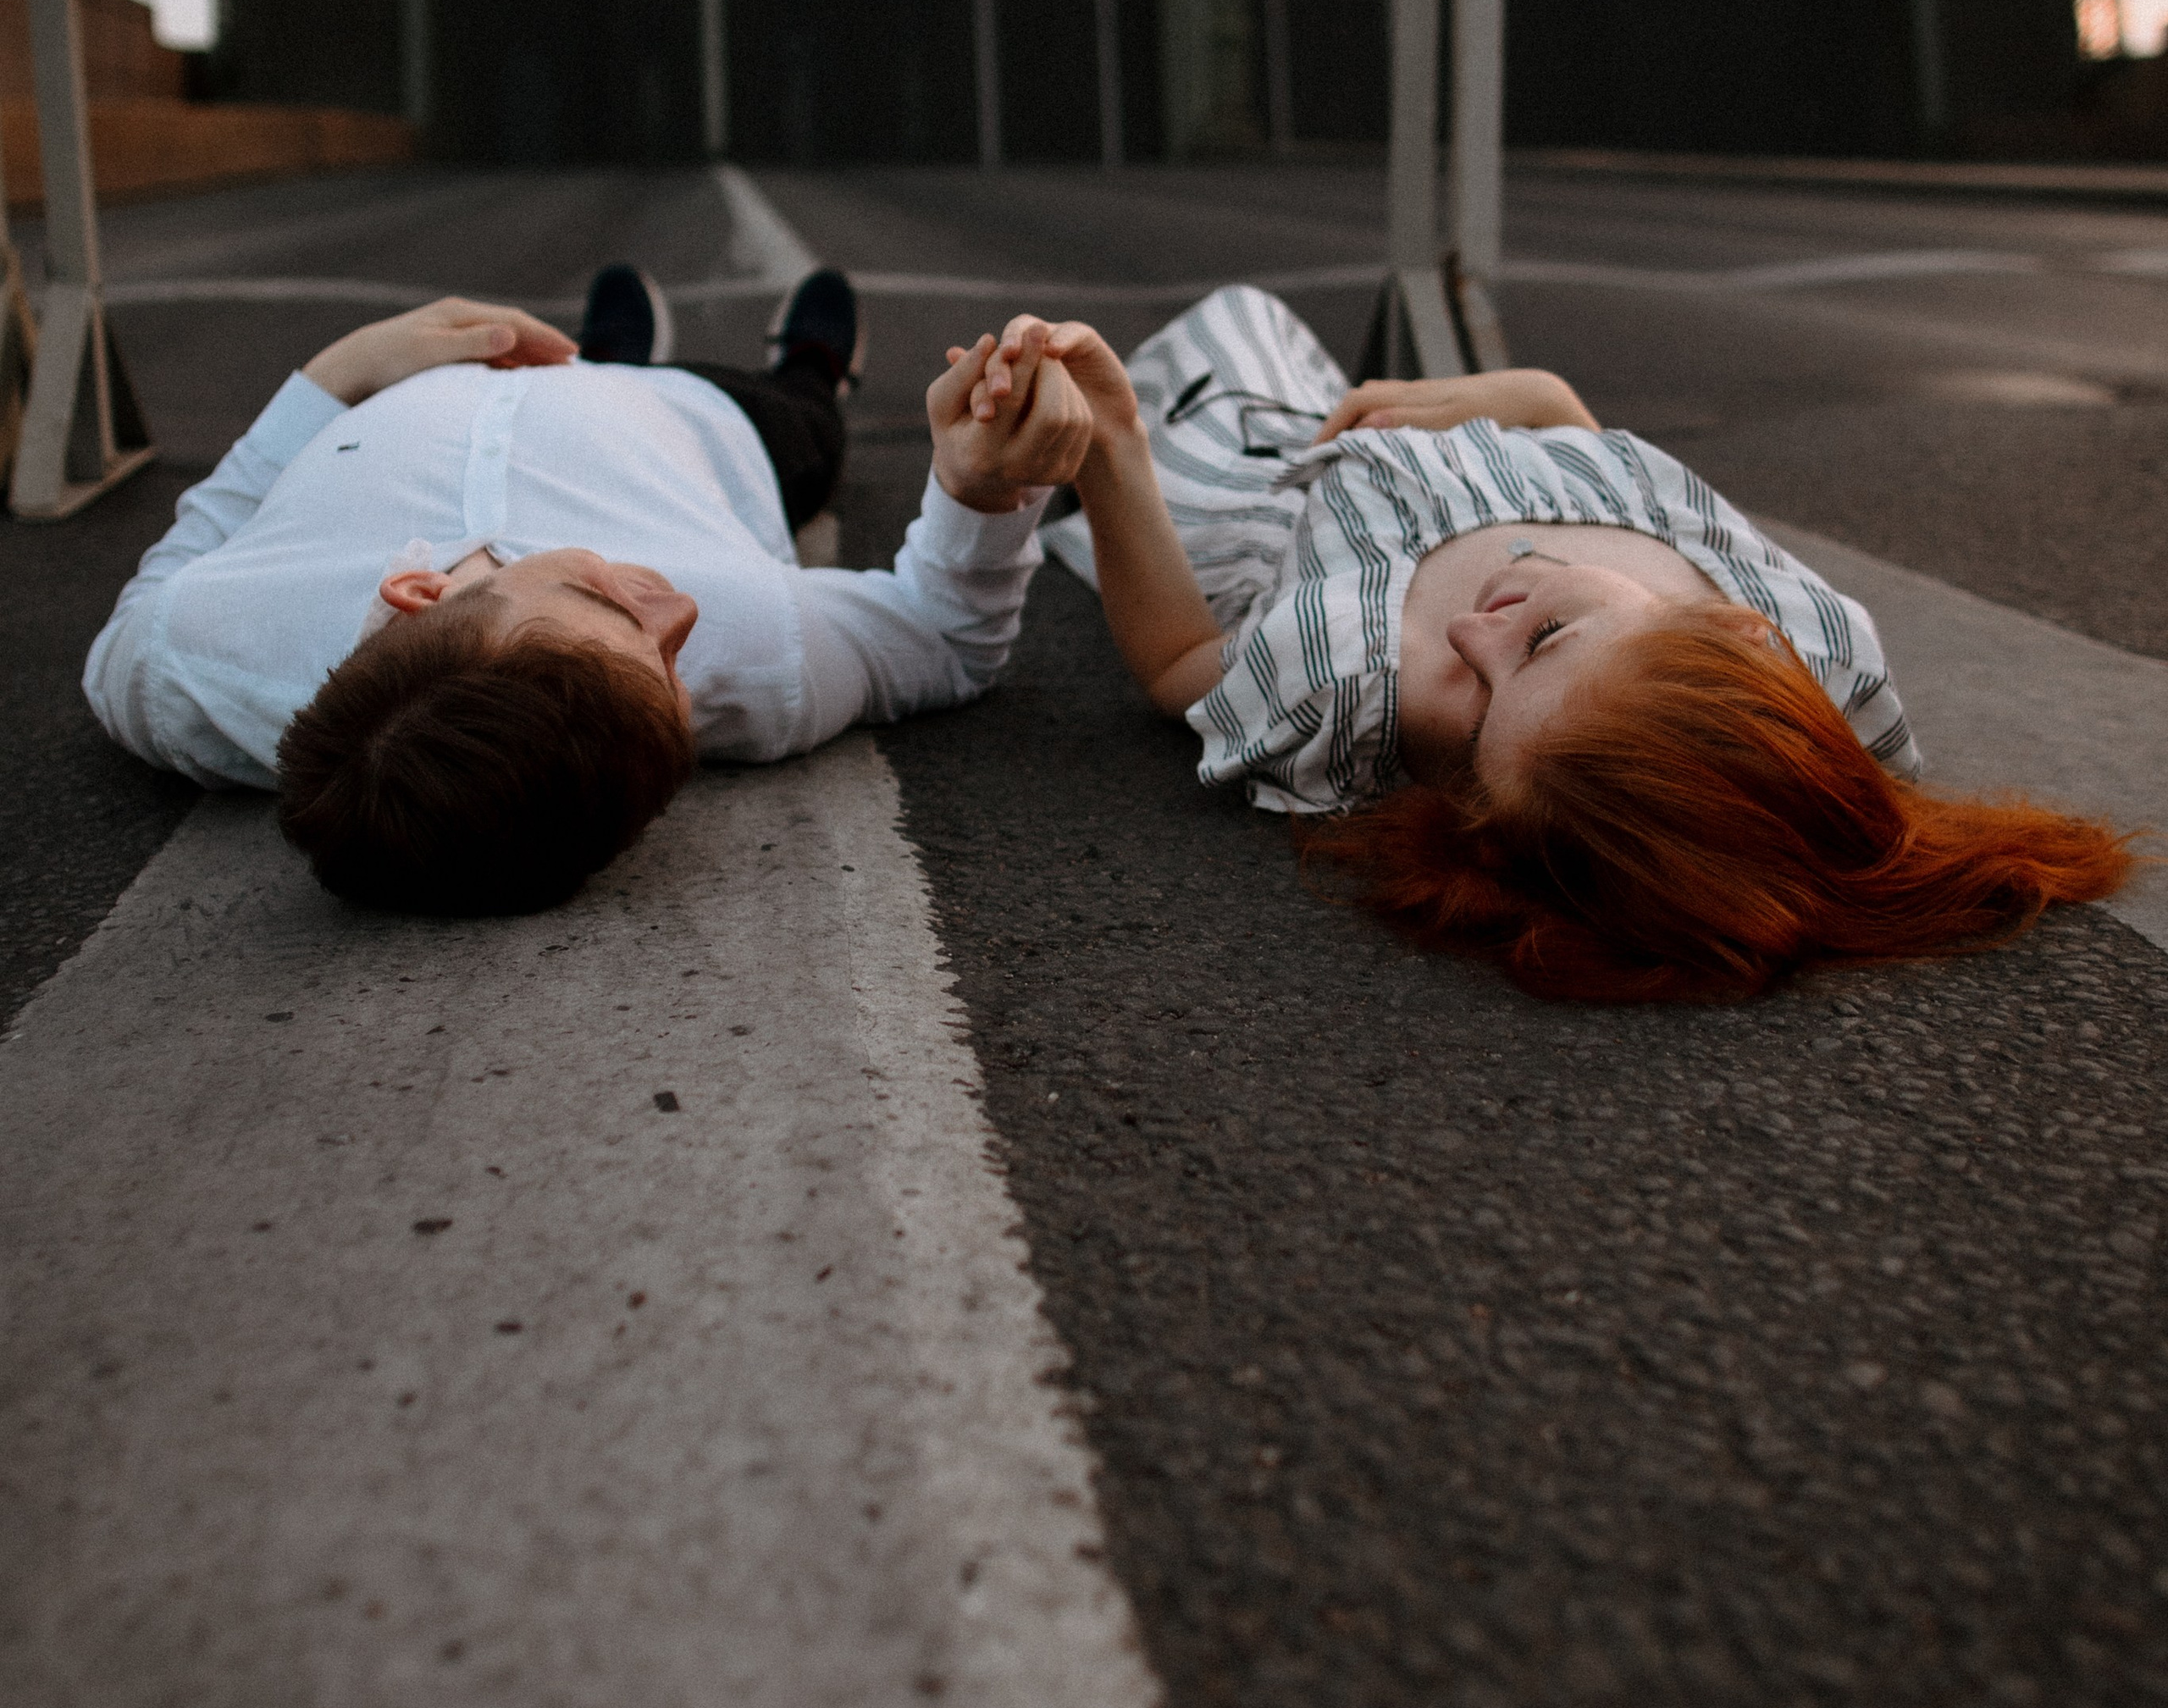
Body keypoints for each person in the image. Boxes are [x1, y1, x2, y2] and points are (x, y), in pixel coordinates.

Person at [966, 285, 2132, 1006]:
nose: (1477, 630)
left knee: (1239, 321)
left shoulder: (1367, 679)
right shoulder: (1817, 653)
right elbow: (1630, 469)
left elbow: (1181, 664)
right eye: (1551, 634)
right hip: (1477, 440)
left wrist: (1110, 451)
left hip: (1253, 474)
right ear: (1735, 633)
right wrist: (1537, 399)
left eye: (1478, 720)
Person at [85, 265, 1087, 917]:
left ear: (417, 593)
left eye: (607, 605)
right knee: (805, 427)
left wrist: (335, 375)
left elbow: (156, 591)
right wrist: (981, 488)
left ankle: (610, 340)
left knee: (598, 348)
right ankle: (809, 366)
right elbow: (946, 639)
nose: (680, 614)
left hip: (423, 383)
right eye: (675, 673)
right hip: (698, 417)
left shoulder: (190, 664)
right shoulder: (756, 646)